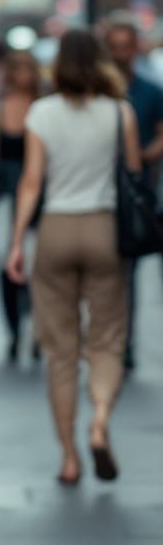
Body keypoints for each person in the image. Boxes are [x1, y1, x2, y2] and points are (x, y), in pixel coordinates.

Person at [6, 29, 140, 486]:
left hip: (57, 230)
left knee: (61, 352)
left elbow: (31, 181)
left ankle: (68, 458)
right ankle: (99, 419)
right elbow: (134, 176)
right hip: (104, 228)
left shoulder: (41, 112)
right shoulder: (120, 112)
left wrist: (17, 241)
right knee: (107, 338)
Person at [104, 19, 163, 370]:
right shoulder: (99, 92)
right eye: (115, 46)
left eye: (127, 45)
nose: (121, 54)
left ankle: (123, 343)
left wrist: (140, 156)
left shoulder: (151, 91)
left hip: (136, 193)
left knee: (127, 269)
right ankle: (111, 339)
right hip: (99, 190)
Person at [0, 50, 41, 362]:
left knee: (8, 265)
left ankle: (16, 330)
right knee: (35, 262)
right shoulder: (43, 108)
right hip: (38, 193)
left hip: (7, 192)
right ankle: (34, 329)